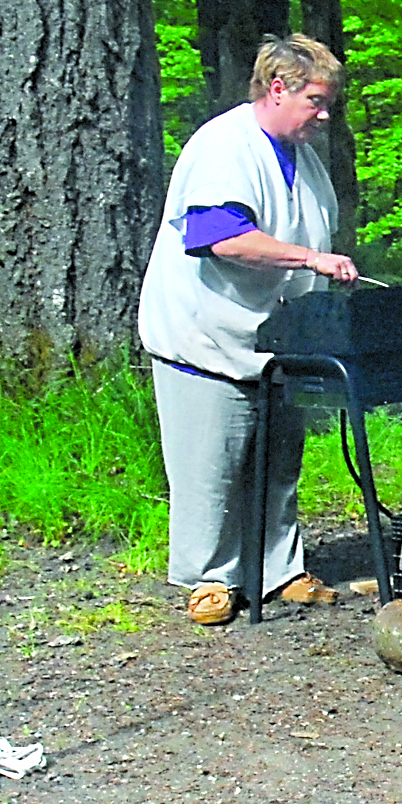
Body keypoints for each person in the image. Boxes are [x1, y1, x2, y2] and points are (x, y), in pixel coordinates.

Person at [137, 34, 359, 626]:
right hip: (205, 332)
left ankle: (278, 570)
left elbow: (314, 230)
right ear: (278, 88)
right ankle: (208, 579)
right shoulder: (223, 145)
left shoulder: (304, 156)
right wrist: (309, 261)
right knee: (211, 463)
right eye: (316, 99)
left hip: (275, 337)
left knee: (278, 460)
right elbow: (219, 238)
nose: (325, 113)